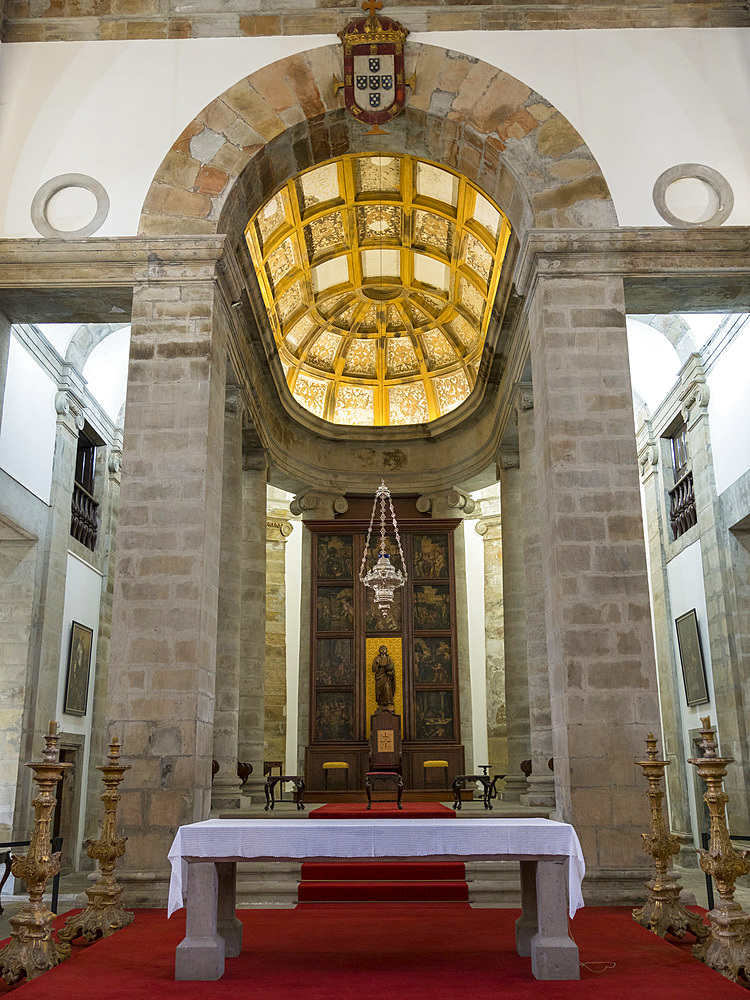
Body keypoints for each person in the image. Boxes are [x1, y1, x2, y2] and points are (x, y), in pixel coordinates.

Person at [372, 645, 395, 710]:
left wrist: (390, 673)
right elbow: (373, 669)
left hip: (386, 676)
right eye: (381, 649)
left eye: (384, 649)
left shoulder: (388, 658)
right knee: (380, 692)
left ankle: (388, 704)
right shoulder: (377, 658)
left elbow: (392, 668)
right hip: (379, 676)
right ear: (379, 650)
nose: (383, 650)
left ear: (386, 650)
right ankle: (381, 704)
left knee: (387, 688)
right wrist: (376, 663)